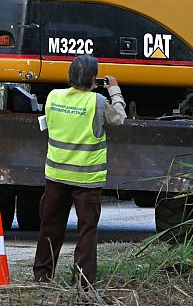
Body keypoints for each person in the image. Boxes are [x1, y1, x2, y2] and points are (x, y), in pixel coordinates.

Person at [33, 55, 126, 286]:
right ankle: (83, 283)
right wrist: (114, 91)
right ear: (95, 79)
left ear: (69, 76)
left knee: (50, 226)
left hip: (56, 175)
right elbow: (119, 119)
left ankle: (42, 276)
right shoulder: (97, 102)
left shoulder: (53, 97)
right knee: (86, 231)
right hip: (87, 178)